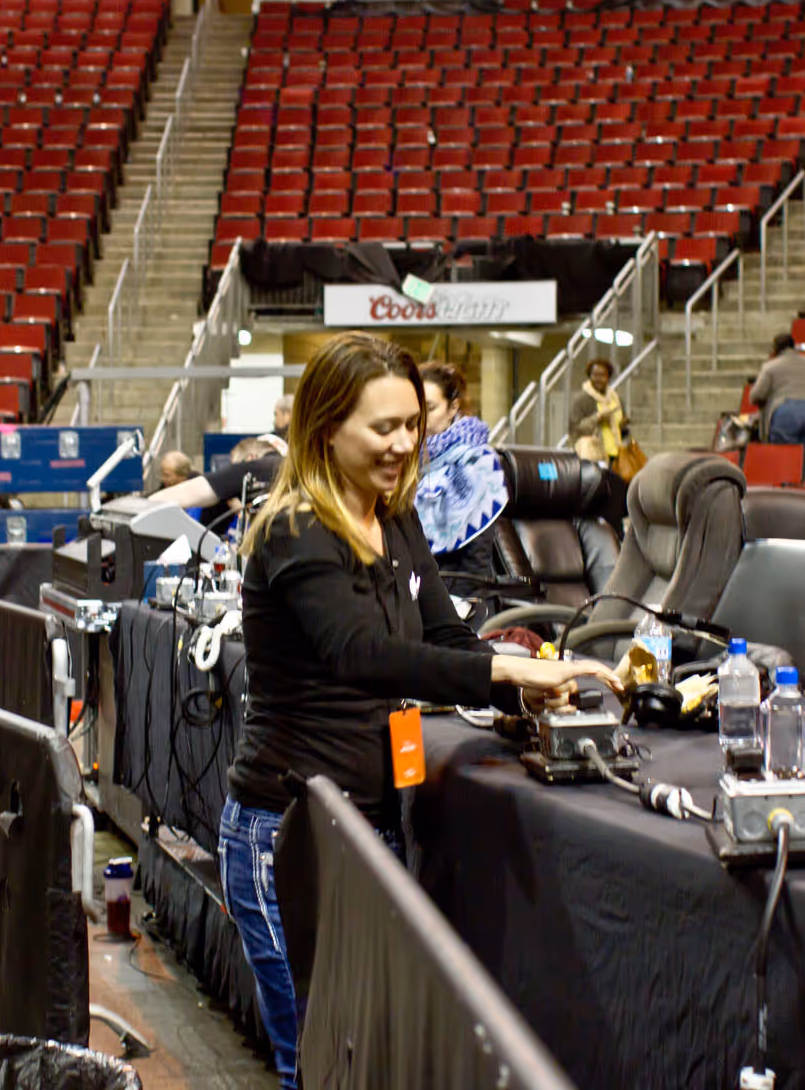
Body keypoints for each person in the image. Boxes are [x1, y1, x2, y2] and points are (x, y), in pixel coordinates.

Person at [220, 332, 618, 1088]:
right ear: (326, 428)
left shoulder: (396, 518)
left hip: (368, 825)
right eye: (384, 428)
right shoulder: (297, 528)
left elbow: (442, 635)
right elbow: (362, 654)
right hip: (286, 835)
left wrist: (525, 680)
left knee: (368, 1059)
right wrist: (503, 671)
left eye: (413, 425)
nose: (405, 444)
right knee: (315, 1062)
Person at [415, 362, 507, 589]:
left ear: (453, 407)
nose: (421, 417)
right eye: (416, 408)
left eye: (430, 407)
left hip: (455, 594)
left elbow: (475, 560)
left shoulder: (478, 462)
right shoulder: (403, 455)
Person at [149, 437, 285, 536]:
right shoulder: (286, 469)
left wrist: (146, 503)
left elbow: (191, 492)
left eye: (236, 466)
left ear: (250, 458)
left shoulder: (259, 466)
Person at [751, 332, 805, 468]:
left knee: (784, 460)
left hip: (786, 410)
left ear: (775, 350)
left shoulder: (770, 366)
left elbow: (756, 395)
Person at [568, 357, 628, 467]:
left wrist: (623, 425)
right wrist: (598, 417)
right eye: (595, 375)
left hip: (615, 453)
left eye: (602, 375)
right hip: (593, 455)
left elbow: (623, 431)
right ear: (589, 376)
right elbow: (575, 428)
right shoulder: (581, 399)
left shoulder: (616, 399)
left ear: (608, 377)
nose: (598, 379)